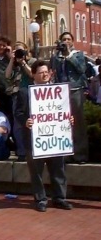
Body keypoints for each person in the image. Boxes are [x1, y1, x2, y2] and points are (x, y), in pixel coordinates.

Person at [16, 60, 73, 212]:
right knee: (36, 173)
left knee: (58, 170)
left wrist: (69, 119)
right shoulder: (24, 92)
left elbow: (64, 111)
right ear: (33, 74)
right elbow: (18, 113)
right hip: (35, 139)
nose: (44, 74)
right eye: (41, 72)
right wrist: (25, 121)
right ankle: (41, 199)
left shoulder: (58, 91)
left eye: (46, 71)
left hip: (56, 138)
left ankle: (60, 198)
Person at [50, 31, 88, 164]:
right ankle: (65, 153)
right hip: (61, 93)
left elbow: (82, 69)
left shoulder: (78, 55)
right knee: (63, 123)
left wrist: (69, 55)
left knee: (78, 122)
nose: (66, 42)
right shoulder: (56, 57)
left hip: (75, 90)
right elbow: (53, 72)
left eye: (68, 39)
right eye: (63, 39)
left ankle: (80, 154)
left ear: (72, 42)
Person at [5, 41, 35, 162]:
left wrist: (23, 62)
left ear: (26, 50)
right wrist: (12, 60)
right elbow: (7, 76)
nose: (18, 52)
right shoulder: (14, 64)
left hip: (30, 94)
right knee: (18, 124)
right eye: (16, 50)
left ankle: (33, 150)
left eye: (20, 50)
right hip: (17, 95)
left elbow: (32, 75)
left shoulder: (32, 61)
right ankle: (22, 151)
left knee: (31, 122)